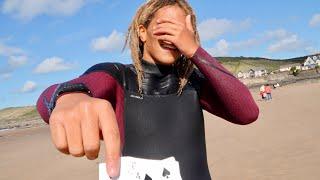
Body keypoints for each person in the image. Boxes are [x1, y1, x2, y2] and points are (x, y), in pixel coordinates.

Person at [36, 1, 259, 179]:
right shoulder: (119, 77)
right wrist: (69, 96)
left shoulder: (192, 81)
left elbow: (247, 112)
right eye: (165, 26)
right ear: (143, 32)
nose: (174, 36)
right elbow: (52, 99)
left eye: (182, 29)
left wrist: (194, 49)